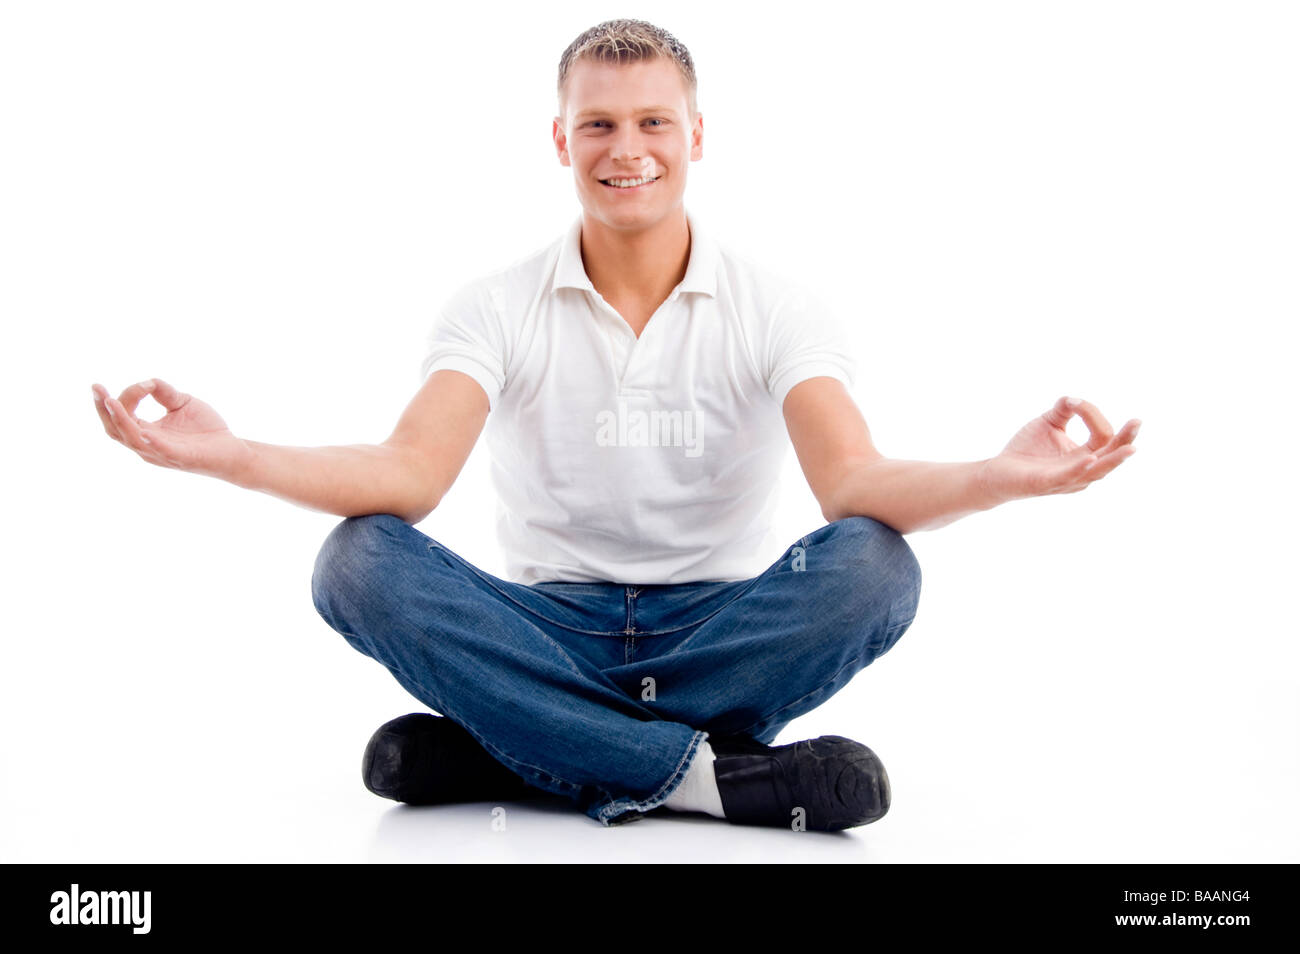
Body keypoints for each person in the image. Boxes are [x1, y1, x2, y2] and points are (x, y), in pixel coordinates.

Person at [90, 19, 1140, 831]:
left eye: (651, 123)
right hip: (547, 629)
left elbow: (852, 486)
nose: (624, 148)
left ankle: (516, 748)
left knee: (876, 565)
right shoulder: (494, 305)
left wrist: (1001, 474)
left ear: (695, 137)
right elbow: (409, 474)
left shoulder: (777, 306)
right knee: (357, 560)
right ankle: (698, 777)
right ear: (559, 139)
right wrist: (228, 456)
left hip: (719, 635)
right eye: (597, 123)